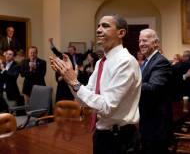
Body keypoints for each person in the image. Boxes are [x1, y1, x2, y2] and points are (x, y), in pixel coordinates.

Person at [50, 14, 141, 154]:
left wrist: (74, 82)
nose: (98, 29)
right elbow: (84, 99)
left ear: (121, 33)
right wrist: (68, 77)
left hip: (120, 138)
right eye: (98, 26)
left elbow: (107, 107)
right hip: (101, 134)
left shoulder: (126, 62)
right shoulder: (101, 63)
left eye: (105, 26)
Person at [138, 28, 173, 154]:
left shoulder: (161, 62)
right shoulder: (147, 61)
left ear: (156, 43)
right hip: (147, 117)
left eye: (145, 40)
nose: (141, 43)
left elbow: (153, 88)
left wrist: (130, 84)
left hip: (156, 121)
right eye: (140, 40)